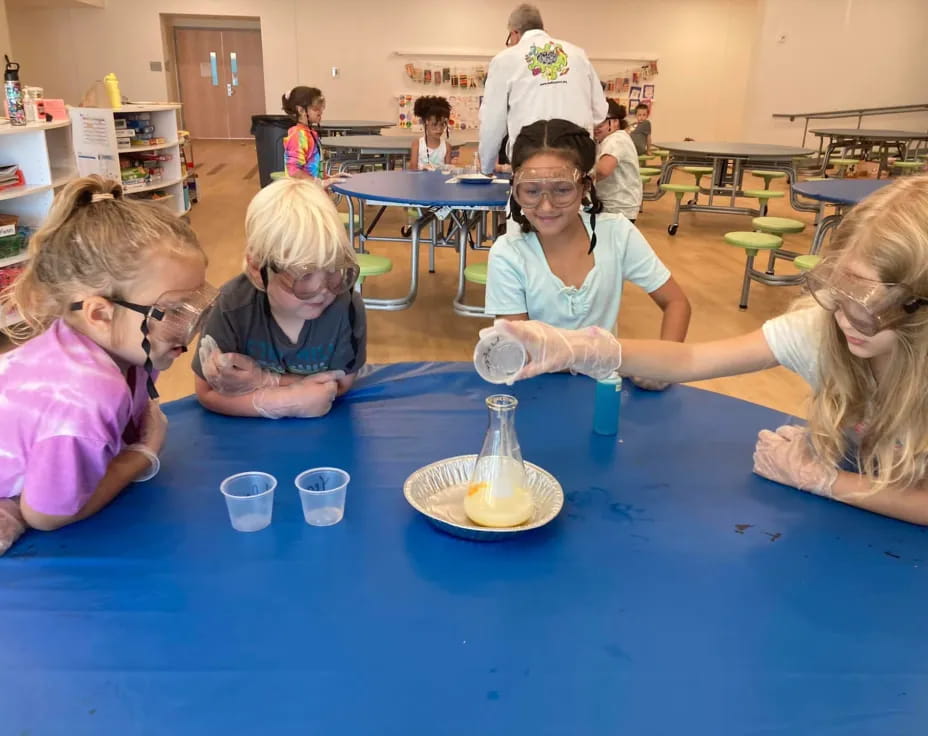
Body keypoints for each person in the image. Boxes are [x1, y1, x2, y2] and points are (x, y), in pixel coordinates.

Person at [483, 175, 928, 525]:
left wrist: (825, 480)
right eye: (838, 294)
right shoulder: (821, 328)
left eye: (870, 307)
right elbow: (692, 360)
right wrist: (577, 346)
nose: (847, 320)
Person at [0, 176, 216, 554]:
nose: (190, 326)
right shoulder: (86, 397)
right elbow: (46, 515)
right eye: (173, 311)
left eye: (195, 305)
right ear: (99, 312)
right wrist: (142, 454)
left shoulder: (126, 346)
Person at [483, 119, 690, 391]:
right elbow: (520, 349)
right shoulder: (508, 254)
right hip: (538, 393)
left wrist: (665, 363)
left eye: (562, 189)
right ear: (516, 190)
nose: (546, 206)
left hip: (604, 390)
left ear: (585, 186)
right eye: (531, 191)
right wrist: (614, 355)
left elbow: (676, 303)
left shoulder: (616, 234)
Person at [193, 177, 366, 419]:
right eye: (303, 276)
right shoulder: (231, 307)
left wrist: (264, 381)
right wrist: (284, 399)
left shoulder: (345, 306)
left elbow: (340, 385)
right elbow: (206, 391)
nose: (323, 289)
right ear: (257, 269)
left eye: (333, 270)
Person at [477, 4, 608, 175]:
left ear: (515, 32)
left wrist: (486, 167)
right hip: (576, 156)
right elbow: (600, 112)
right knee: (574, 199)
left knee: (532, 198)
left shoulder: (504, 60)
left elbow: (492, 122)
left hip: (531, 158)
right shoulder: (577, 54)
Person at [281, 86, 343, 189]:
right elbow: (293, 170)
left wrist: (328, 179)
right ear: (301, 110)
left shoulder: (310, 133)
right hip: (303, 196)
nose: (321, 111)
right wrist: (318, 183)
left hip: (312, 191)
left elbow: (312, 167)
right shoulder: (298, 135)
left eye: (321, 107)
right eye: (316, 108)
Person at [593, 99, 642, 223]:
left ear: (615, 122)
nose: (596, 128)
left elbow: (603, 170)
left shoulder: (616, 139)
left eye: (601, 123)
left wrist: (578, 180)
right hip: (617, 205)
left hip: (618, 208)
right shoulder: (607, 140)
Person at [409, 96, 453, 171]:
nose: (439, 129)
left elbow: (447, 171)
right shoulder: (417, 144)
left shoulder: (447, 147)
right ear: (425, 123)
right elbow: (413, 170)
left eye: (442, 125)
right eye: (434, 125)